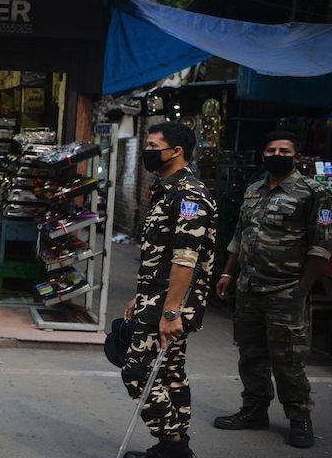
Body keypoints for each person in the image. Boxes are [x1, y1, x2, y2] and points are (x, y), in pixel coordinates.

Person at [213, 131, 331, 449]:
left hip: (286, 289)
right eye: (270, 149)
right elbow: (240, 235)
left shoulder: (312, 192)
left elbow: (321, 247)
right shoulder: (253, 190)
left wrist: (303, 286)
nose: (276, 154)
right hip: (249, 286)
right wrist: (227, 273)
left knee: (288, 360)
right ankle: (254, 410)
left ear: (296, 157)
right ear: (263, 155)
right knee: (251, 355)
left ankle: (300, 419)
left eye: (283, 150)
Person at [122, 122, 217, 458]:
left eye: (152, 145)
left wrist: (171, 311)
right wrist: (141, 294)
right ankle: (175, 446)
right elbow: (160, 257)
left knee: (135, 371)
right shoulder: (166, 190)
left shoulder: (190, 195)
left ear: (176, 151)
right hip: (157, 297)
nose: (148, 150)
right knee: (170, 373)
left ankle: (173, 444)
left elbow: (185, 259)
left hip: (170, 303)